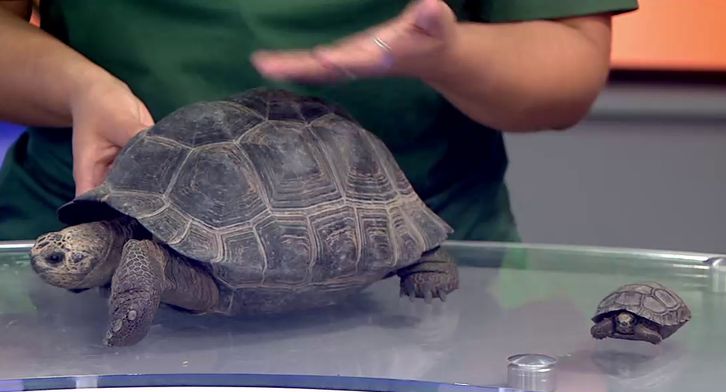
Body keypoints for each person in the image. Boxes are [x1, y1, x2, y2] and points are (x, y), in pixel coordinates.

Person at [0, 0, 637, 242]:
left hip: (400, 256)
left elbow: (568, 63)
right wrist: (79, 89)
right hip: (99, 230)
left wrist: (451, 56)